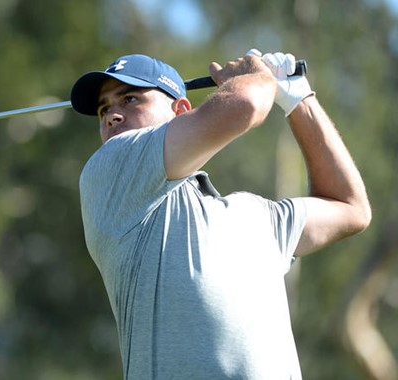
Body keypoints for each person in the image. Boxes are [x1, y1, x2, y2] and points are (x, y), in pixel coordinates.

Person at [69, 50, 372, 379]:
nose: (111, 115)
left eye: (130, 99)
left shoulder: (255, 216)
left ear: (180, 110)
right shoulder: (112, 174)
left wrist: (298, 98)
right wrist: (257, 76)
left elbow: (350, 207)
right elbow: (246, 105)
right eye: (103, 109)